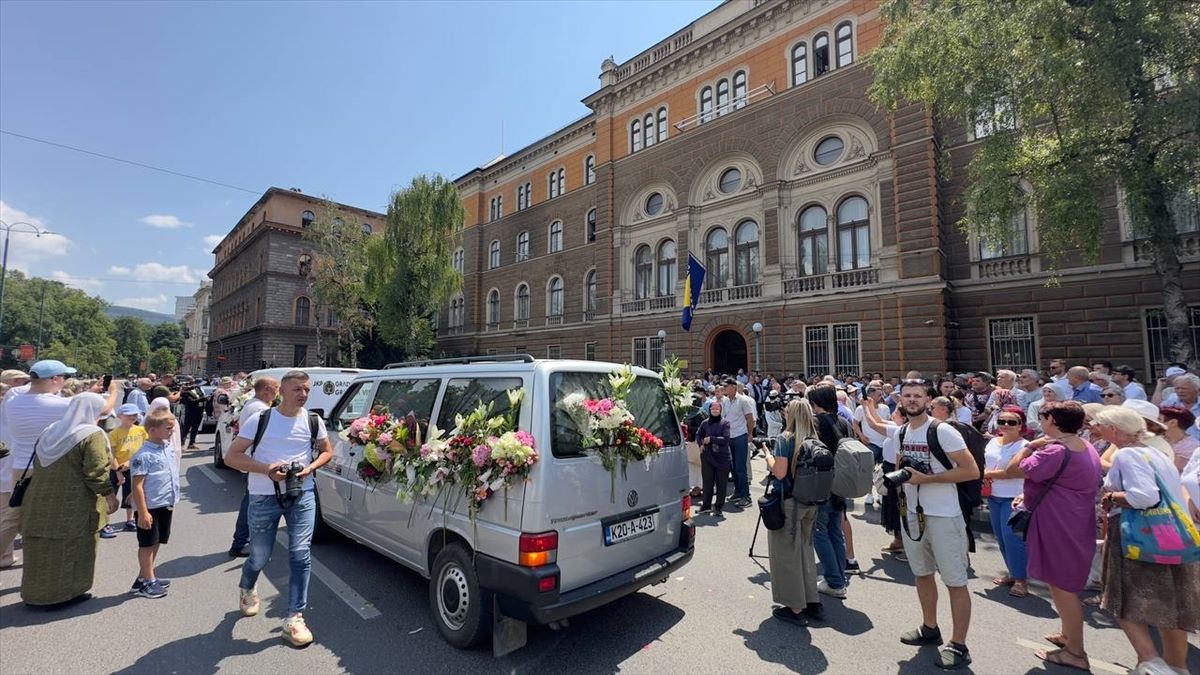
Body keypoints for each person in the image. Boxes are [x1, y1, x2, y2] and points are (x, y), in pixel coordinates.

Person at [224, 370, 333, 647]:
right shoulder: (260, 420)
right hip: (262, 496)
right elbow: (232, 457)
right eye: (297, 389)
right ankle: (247, 586)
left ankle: (295, 617)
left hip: (302, 494)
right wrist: (266, 469)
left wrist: (310, 467)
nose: (303, 394)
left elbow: (326, 451)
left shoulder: (313, 420)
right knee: (259, 556)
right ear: (282, 391)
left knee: (300, 552)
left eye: (307, 389)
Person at [1094, 406, 1200, 675]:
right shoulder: (1157, 452)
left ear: (1114, 429)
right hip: (1170, 535)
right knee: (1171, 607)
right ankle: (1177, 667)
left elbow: (1144, 496)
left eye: (1101, 424)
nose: (1097, 428)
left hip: (1137, 534)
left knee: (1121, 600)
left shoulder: (1127, 454)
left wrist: (1112, 497)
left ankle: (1150, 662)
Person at [1001, 402, 1102, 671]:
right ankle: (1069, 635)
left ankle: (1076, 652)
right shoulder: (1084, 445)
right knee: (1061, 585)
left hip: (1059, 525)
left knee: (1063, 588)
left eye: (1044, 417)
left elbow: (1013, 468)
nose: (1041, 421)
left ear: (1053, 421)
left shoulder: (1054, 451)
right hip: (1075, 522)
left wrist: (1030, 445)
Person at [894, 379, 978, 670]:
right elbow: (899, 466)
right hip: (913, 516)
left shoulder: (943, 431)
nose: (912, 400)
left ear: (929, 399)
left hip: (944, 515)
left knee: (955, 580)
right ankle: (930, 628)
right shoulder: (901, 432)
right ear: (900, 400)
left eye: (917, 395)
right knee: (922, 574)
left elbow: (970, 471)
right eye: (907, 396)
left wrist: (928, 480)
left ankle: (959, 644)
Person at [0, 361, 117, 570]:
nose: (65, 382)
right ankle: (46, 564)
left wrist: (89, 391)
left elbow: (67, 403)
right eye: (63, 377)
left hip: (19, 467)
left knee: (12, 519)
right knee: (50, 520)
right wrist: (114, 390)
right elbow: (104, 408)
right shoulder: (59, 405)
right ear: (53, 379)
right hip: (48, 468)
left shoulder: (14, 402)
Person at [18, 392, 118, 607]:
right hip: (74, 505)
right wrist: (109, 495)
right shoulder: (92, 435)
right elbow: (96, 471)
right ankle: (64, 596)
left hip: (39, 500)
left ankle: (34, 595)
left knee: (40, 551)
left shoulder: (51, 430)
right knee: (73, 549)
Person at [763, 399, 823, 626]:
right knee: (805, 552)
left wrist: (768, 456)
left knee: (786, 555)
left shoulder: (785, 438)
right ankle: (811, 599)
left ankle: (795, 607)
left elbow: (779, 472)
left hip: (789, 502)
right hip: (811, 502)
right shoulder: (815, 438)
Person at [129, 408, 181, 599]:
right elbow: (137, 485)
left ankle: (144, 577)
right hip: (150, 507)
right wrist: (142, 512)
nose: (172, 431)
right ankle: (147, 583)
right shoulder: (143, 455)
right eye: (168, 428)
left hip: (165, 502)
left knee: (157, 540)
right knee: (147, 544)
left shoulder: (166, 447)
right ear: (152, 430)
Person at [805, 384, 851, 598]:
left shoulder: (815, 423)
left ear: (816, 404)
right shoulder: (843, 422)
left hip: (821, 483)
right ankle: (839, 579)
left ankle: (833, 581)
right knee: (835, 530)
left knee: (819, 531)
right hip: (840, 483)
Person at [980, 407, 1030, 598]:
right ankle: (1013, 572)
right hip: (994, 495)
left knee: (1012, 538)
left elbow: (1020, 472)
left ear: (1021, 426)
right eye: (1002, 422)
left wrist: (989, 474)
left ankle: (1021, 580)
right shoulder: (993, 441)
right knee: (1001, 538)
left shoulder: (1025, 446)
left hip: (1015, 496)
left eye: (1012, 422)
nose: (1006, 425)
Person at [229, 376, 280, 557]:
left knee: (250, 503)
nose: (278, 390)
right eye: (276, 387)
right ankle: (241, 542)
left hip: (253, 462)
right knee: (252, 505)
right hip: (257, 463)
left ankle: (242, 540)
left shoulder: (253, 405)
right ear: (266, 389)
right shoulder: (260, 409)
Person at [107, 403, 148, 533]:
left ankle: (130, 520)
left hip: (133, 467)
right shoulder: (114, 433)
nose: (133, 417)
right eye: (129, 415)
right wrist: (117, 471)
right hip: (116, 468)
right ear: (120, 416)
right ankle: (105, 522)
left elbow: (144, 449)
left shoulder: (141, 430)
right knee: (111, 494)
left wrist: (130, 463)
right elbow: (111, 454)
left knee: (131, 494)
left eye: (135, 415)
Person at [720, 378, 757, 508]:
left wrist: (750, 434)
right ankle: (737, 491)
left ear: (733, 387)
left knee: (741, 468)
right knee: (733, 467)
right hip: (729, 437)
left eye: (726, 386)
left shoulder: (743, 400)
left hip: (741, 436)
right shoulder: (725, 401)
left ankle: (746, 496)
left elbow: (750, 418)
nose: (724, 388)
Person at [696, 401, 731, 517]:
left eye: (717, 409)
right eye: (713, 409)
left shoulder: (725, 423)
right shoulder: (705, 423)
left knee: (721, 484)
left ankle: (718, 507)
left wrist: (711, 439)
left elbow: (725, 439)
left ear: (720, 410)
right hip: (707, 456)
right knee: (707, 482)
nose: (715, 411)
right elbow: (698, 435)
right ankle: (706, 506)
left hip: (722, 457)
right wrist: (700, 443)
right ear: (709, 410)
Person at [1160, 373, 1200, 441]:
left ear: (1198, 390)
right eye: (1177, 388)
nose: (1180, 391)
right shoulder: (1170, 403)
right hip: (1174, 444)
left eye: (1184, 388)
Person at [1159, 406, 1198, 473]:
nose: (1155, 423)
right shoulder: (1157, 438)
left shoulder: (1191, 446)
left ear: (1173, 423)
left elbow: (1171, 470)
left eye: (1159, 420)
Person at [179, 378, 207, 450]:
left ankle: (192, 443)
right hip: (190, 411)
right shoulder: (185, 392)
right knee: (186, 428)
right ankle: (182, 443)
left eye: (192, 383)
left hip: (199, 411)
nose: (191, 385)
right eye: (189, 383)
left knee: (195, 427)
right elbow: (190, 401)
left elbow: (201, 396)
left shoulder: (198, 389)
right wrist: (202, 398)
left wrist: (204, 399)